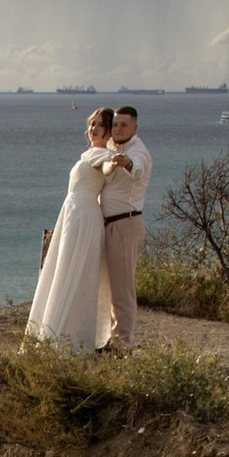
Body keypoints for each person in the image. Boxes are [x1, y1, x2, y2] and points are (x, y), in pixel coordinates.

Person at [26, 107, 116, 355]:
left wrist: (114, 162)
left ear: (108, 130)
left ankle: (68, 336)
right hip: (73, 213)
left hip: (83, 215)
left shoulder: (102, 154)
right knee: (63, 268)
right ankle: (57, 329)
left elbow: (107, 167)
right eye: (91, 124)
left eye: (99, 125)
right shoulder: (90, 153)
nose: (93, 128)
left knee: (75, 271)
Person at [98, 103, 150, 347]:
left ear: (135, 127)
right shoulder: (110, 147)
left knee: (123, 288)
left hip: (124, 224)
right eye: (116, 124)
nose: (118, 129)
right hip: (107, 223)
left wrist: (126, 163)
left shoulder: (138, 151)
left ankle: (123, 343)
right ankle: (110, 338)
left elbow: (137, 168)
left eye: (124, 125)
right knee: (109, 286)